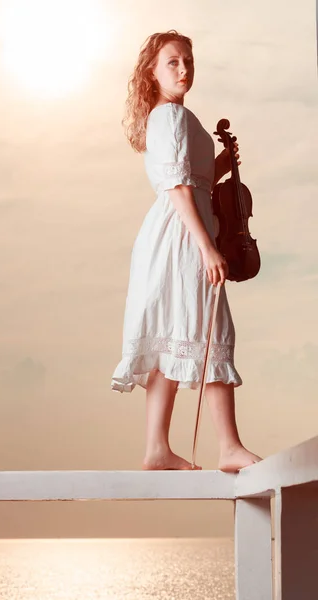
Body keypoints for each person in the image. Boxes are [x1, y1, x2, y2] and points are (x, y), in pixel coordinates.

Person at [111, 30, 262, 473]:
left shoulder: (172, 116)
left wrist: (221, 164)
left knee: (173, 334)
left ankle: (157, 449)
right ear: (152, 72)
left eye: (187, 62)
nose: (183, 69)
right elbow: (177, 187)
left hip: (174, 233)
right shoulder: (171, 117)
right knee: (210, 328)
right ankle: (229, 446)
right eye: (173, 62)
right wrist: (207, 247)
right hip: (183, 235)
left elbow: (193, 179)